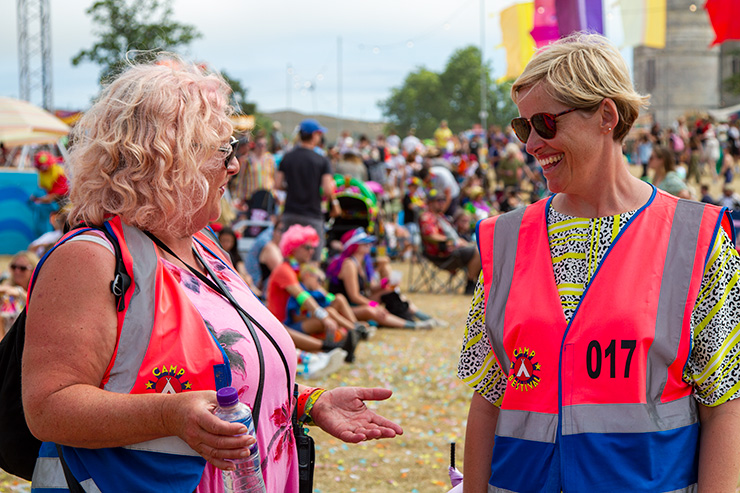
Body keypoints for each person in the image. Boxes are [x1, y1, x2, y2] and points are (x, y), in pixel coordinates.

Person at [21, 58, 402, 493]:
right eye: (222, 151)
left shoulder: (201, 245)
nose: (235, 166)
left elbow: (226, 381)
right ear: (166, 157)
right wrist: (171, 416)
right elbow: (48, 407)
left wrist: (306, 401)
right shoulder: (91, 258)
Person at [458, 33, 740, 492]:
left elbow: (725, 404)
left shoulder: (697, 240)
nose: (531, 145)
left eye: (545, 124)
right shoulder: (504, 239)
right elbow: (489, 399)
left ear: (607, 116)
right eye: (522, 127)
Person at [326, 228, 434, 329]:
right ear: (354, 246)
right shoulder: (349, 264)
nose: (369, 245)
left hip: (356, 303)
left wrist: (384, 283)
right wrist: (376, 305)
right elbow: (354, 297)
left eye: (368, 243)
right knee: (372, 310)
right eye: (364, 243)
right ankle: (413, 326)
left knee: (388, 291)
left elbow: (369, 289)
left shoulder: (361, 263)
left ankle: (423, 316)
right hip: (346, 308)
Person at [275, 119, 341, 261]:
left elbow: (278, 183)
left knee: (289, 258)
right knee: (313, 259)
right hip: (312, 214)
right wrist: (334, 203)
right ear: (314, 135)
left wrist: (293, 187)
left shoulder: (288, 157)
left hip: (290, 212)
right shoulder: (322, 160)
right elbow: (327, 189)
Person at [419, 190, 481, 295]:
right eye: (438, 200)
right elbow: (430, 235)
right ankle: (470, 284)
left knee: (484, 250)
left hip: (453, 250)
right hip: (442, 254)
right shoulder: (427, 217)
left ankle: (478, 285)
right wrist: (452, 242)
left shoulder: (441, 217)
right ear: (430, 203)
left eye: (443, 200)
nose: (442, 203)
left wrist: (459, 241)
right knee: (478, 252)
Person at [0, 250, 38, 339]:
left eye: (22, 268)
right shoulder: (6, 291)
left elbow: (37, 308)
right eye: (14, 267)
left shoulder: (38, 292)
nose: (17, 271)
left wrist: (20, 293)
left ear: (33, 270)